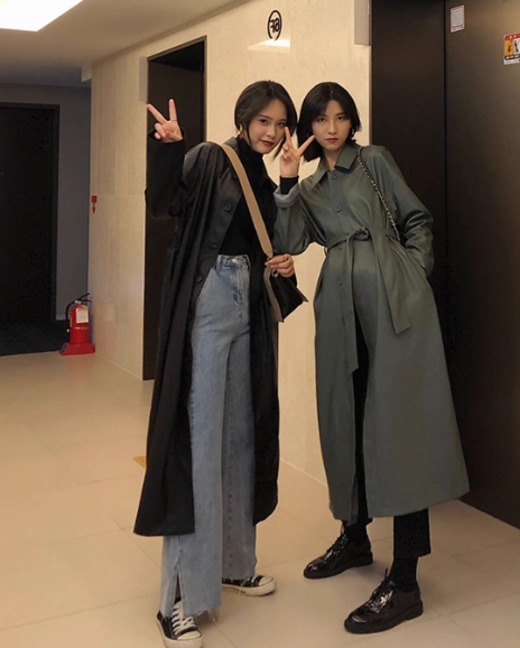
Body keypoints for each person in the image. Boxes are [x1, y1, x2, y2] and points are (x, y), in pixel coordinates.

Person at [275, 81, 469, 635]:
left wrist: (412, 272)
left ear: (351, 120)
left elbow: (416, 219)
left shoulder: (374, 161)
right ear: (308, 127)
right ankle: (355, 536)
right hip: (340, 310)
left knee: (401, 431)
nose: (331, 128)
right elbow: (288, 239)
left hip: (394, 304)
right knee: (347, 418)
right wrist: (286, 180)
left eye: (340, 117)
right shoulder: (310, 186)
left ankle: (405, 580)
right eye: (321, 119)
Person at [134, 80, 298, 648]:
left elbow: (277, 240)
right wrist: (167, 148)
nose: (272, 132)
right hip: (209, 302)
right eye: (264, 120)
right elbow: (164, 204)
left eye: (280, 123)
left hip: (248, 306)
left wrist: (289, 184)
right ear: (244, 117)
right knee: (198, 445)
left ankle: (233, 565)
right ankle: (178, 598)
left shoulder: (265, 175)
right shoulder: (209, 157)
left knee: (240, 439)